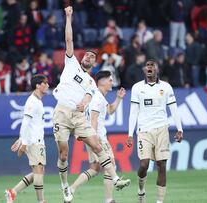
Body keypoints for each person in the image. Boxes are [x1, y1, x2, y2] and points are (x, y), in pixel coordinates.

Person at [52, 6, 130, 202]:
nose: (88, 57)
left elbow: (88, 97)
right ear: (81, 58)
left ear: (94, 64)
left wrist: (84, 103)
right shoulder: (71, 64)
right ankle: (65, 187)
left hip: (78, 116)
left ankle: (115, 178)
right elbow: (68, 39)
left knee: (96, 145)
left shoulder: (91, 84)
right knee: (63, 154)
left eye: (92, 57)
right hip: (61, 112)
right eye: (86, 55)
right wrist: (68, 17)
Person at [126, 60, 183, 203]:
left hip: (162, 129)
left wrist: (180, 129)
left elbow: (174, 108)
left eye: (152, 65)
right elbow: (133, 112)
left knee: (161, 166)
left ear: (157, 69)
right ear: (144, 70)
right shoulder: (137, 88)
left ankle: (159, 201)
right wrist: (129, 134)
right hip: (144, 130)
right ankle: (141, 190)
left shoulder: (166, 87)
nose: (150, 67)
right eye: (147, 65)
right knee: (144, 165)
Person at [70, 71, 126, 203]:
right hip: (97, 137)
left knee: (94, 169)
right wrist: (94, 139)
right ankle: (108, 199)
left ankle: (71, 189)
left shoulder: (98, 96)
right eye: (110, 80)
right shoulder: (97, 97)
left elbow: (110, 110)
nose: (112, 82)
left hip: (91, 135)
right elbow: (94, 119)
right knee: (110, 165)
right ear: (102, 81)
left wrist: (119, 98)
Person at [5, 74, 49, 203]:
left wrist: (21, 140)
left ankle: (13, 192)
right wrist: (23, 143)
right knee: (39, 171)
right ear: (37, 85)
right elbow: (25, 122)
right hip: (34, 142)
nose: (47, 85)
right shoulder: (32, 101)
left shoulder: (38, 101)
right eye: (44, 83)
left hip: (36, 140)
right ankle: (41, 201)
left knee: (39, 172)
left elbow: (29, 123)